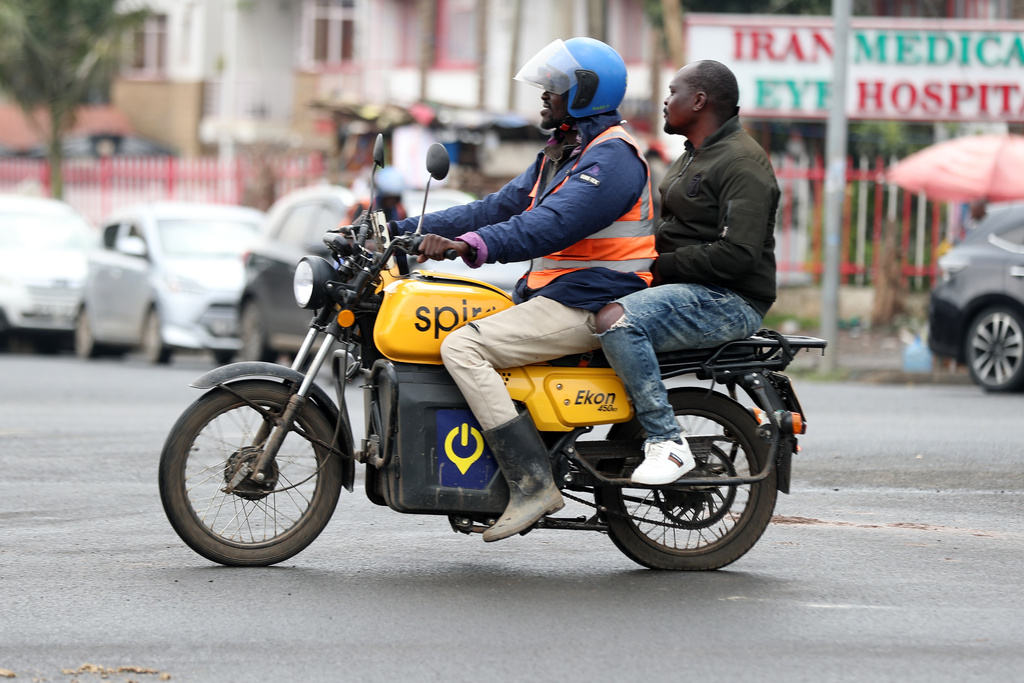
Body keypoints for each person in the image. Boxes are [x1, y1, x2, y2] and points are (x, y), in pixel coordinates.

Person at [393, 38, 656, 542]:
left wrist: (466, 246)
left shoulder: (612, 160)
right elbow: (493, 207)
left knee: (462, 346)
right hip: (555, 293)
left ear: (583, 93)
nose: (542, 97)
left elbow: (550, 225)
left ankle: (532, 483)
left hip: (592, 299)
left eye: (552, 88)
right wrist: (400, 226)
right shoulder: (562, 152)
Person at [595, 60, 780, 486]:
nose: (665, 99)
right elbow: (673, 230)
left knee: (618, 322)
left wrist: (660, 264)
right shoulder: (693, 155)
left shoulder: (743, 163)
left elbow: (739, 254)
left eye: (673, 91)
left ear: (698, 101)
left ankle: (667, 442)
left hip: (729, 299)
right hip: (686, 287)